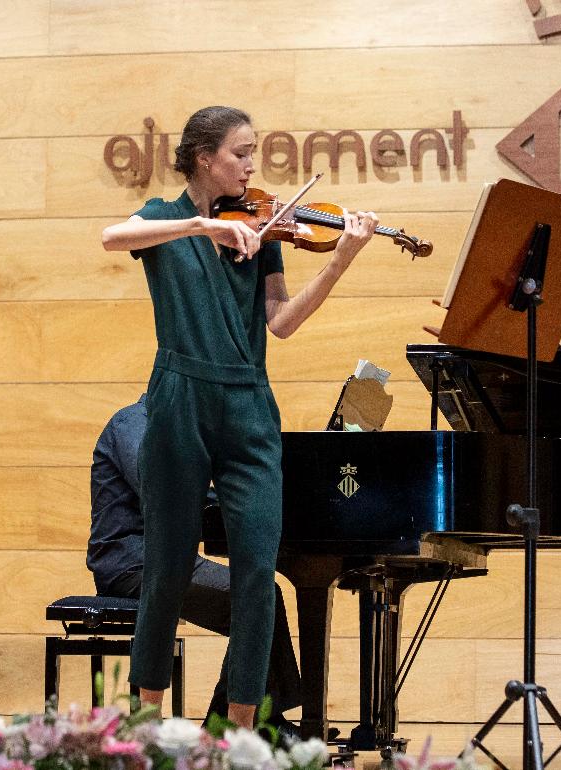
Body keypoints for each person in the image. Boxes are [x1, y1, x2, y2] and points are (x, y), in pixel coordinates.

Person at [101, 105, 378, 730]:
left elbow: (281, 322)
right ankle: (144, 729)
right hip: (179, 399)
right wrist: (201, 227)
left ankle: (240, 735)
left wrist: (340, 260)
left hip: (250, 405)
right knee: (167, 567)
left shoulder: (263, 230)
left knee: (257, 573)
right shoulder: (167, 220)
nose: (252, 167)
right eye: (241, 153)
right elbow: (111, 237)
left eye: (253, 154)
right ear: (204, 157)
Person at [88, 395, 303, 728]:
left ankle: (255, 719)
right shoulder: (133, 424)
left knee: (261, 595)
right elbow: (161, 490)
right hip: (130, 562)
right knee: (257, 597)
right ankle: (233, 727)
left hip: (168, 560)